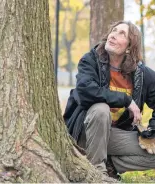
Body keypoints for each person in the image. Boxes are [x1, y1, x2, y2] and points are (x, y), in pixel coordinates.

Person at [63, 20, 155, 179]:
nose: (113, 35)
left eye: (122, 34)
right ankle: (98, 174)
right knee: (100, 109)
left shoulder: (142, 74)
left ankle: (109, 165)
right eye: (114, 30)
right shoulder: (91, 60)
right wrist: (126, 100)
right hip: (85, 132)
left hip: (116, 135)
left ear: (129, 47)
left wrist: (152, 132)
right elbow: (86, 91)